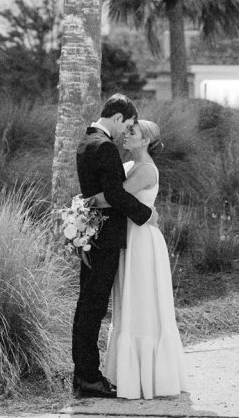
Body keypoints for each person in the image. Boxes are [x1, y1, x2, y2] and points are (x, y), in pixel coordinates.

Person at [90, 119, 188, 400]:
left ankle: (150, 376)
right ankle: (128, 374)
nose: (126, 134)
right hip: (129, 238)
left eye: (132, 132)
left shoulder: (145, 170)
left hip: (142, 241)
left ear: (145, 140)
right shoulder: (131, 166)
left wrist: (83, 202)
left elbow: (114, 197)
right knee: (129, 301)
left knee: (143, 303)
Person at [72, 93, 154, 399]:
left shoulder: (86, 141)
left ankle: (84, 373)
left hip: (91, 236)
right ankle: (88, 377)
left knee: (87, 304)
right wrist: (147, 214)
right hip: (104, 237)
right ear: (118, 117)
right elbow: (116, 195)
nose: (126, 132)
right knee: (93, 306)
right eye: (128, 124)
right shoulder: (104, 146)